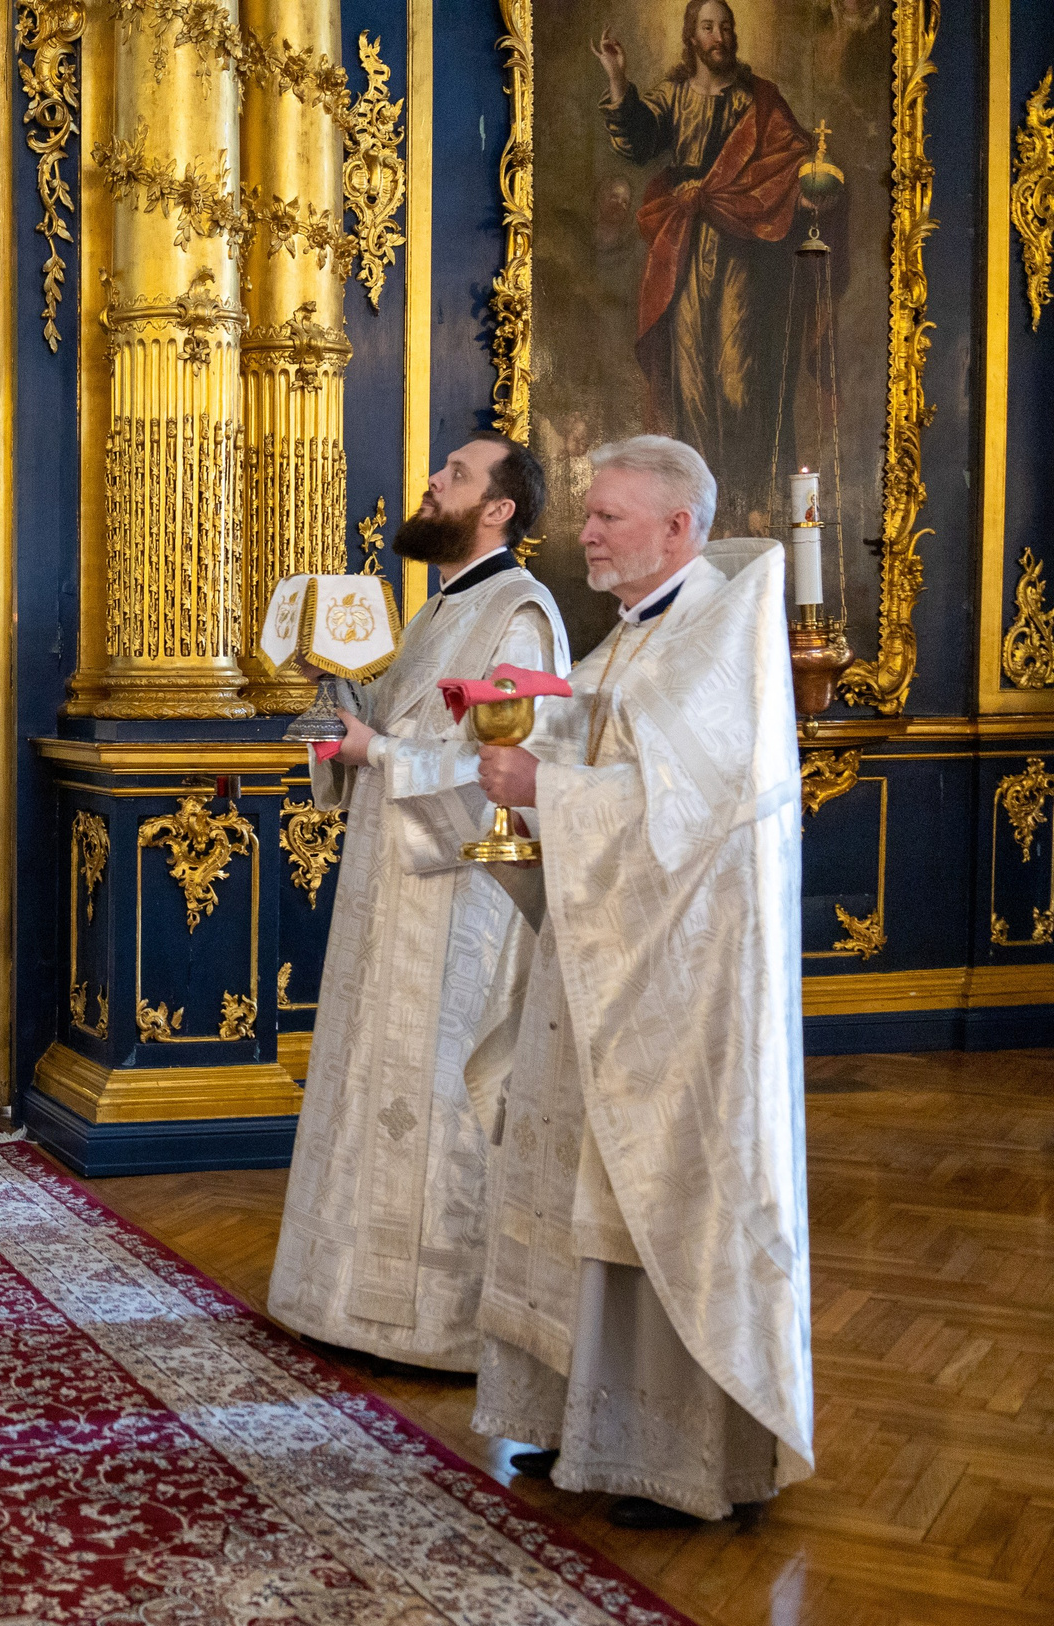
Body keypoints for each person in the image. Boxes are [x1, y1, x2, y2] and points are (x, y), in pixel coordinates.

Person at [468, 434, 813, 1528]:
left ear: (679, 527)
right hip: (605, 962)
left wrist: (544, 785)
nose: (589, 531)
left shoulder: (721, 640)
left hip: (685, 983)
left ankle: (684, 1459)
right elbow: (605, 749)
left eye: (610, 515)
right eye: (591, 512)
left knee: (660, 1196)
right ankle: (583, 1419)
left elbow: (682, 817)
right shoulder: (630, 642)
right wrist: (519, 740)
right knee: (579, 1183)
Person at [266, 434, 570, 1372]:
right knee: (369, 1082)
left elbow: (506, 775)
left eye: (457, 475)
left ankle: (433, 1321)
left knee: (436, 1095)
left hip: (455, 907)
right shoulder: (442, 607)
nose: (433, 481)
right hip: (389, 895)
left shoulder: (520, 616)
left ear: (498, 508)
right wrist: (340, 702)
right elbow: (403, 730)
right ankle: (346, 1297)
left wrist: (376, 754)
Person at [597, 1, 813, 528]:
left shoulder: (755, 99)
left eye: (726, 26)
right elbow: (638, 141)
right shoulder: (672, 95)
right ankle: (699, 509)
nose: (720, 36)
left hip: (742, 243)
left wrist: (805, 180)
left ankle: (743, 502)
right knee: (691, 376)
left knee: (738, 374)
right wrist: (619, 79)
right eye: (709, 27)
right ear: (691, 38)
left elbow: (795, 152)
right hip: (685, 246)